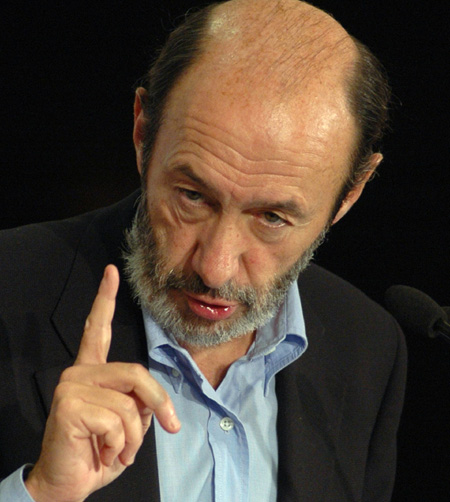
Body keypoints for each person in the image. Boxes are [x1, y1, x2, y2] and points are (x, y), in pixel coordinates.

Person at [0, 0, 406, 500]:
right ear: (143, 134)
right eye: (193, 197)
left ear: (351, 194)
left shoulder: (368, 347)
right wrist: (43, 494)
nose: (215, 269)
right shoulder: (9, 290)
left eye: (272, 219)